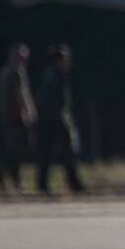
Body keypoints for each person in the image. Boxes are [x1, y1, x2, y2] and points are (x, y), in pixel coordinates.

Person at [33, 44, 87, 195]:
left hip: (55, 119)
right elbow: (54, 102)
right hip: (53, 120)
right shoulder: (54, 77)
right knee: (57, 152)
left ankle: (68, 182)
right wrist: (63, 117)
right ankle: (67, 183)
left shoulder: (54, 75)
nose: (67, 61)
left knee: (62, 152)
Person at [0, 44, 37, 192]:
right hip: (15, 116)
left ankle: (3, 173)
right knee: (19, 149)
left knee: (13, 148)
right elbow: (21, 94)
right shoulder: (16, 73)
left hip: (7, 116)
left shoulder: (5, 72)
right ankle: (12, 178)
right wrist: (29, 111)